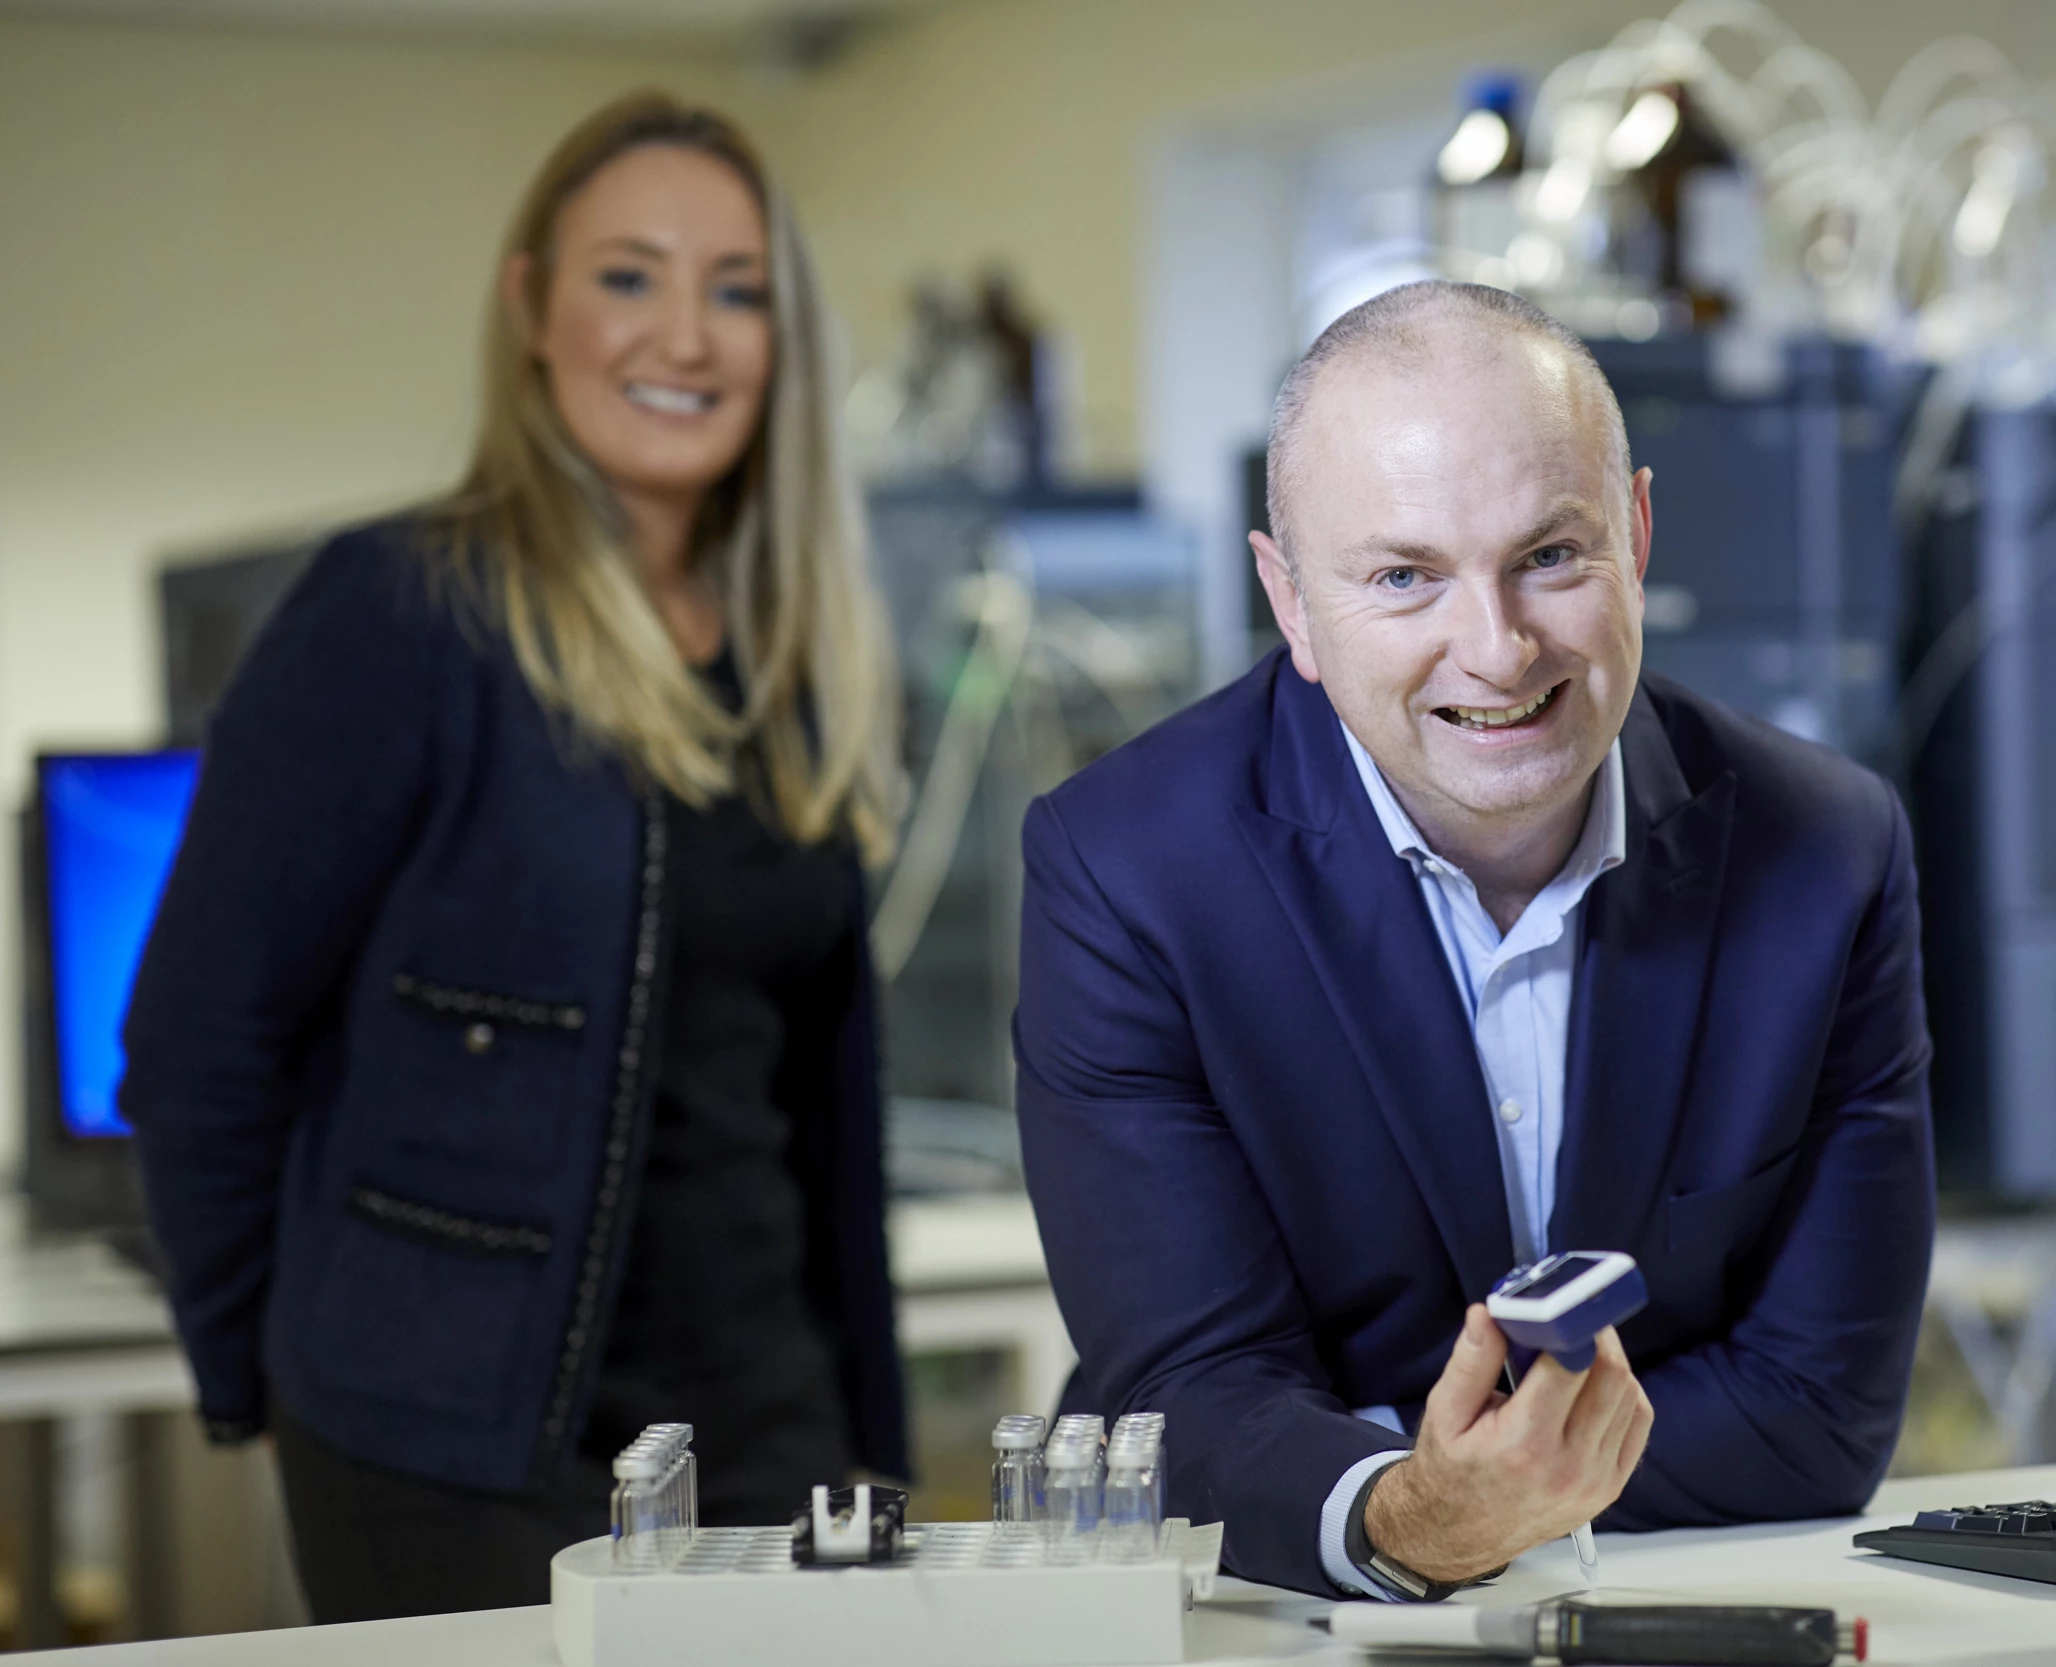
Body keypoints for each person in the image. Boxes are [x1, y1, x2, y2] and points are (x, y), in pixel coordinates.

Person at [1015, 280, 1933, 1599]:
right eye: (1404, 576)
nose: (1496, 651)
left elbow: (1816, 1410)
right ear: (1289, 600)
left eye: (1551, 556)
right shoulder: (1131, 872)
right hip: (1267, 1621)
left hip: (1656, 1618)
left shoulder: (1827, 854)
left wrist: (1467, 1493)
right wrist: (1404, 1511)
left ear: (1637, 532)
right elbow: (1186, 1400)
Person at [121, 90, 907, 1621]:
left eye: (736, 290)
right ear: (531, 304)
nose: (685, 334)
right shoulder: (399, 613)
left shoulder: (798, 657)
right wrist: (270, 1387)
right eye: (629, 274)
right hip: (461, 1450)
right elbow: (197, 1043)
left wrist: (868, 1437)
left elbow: (819, 1120)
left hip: (770, 1429)